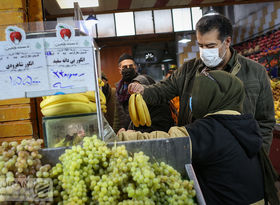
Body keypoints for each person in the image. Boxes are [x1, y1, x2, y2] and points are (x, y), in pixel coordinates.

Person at [128, 14, 275, 153]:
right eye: (201, 45)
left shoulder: (255, 72)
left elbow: (265, 121)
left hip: (237, 154)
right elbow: (163, 90)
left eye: (210, 46)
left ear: (227, 41)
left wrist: (258, 155)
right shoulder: (188, 70)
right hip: (197, 150)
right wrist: (143, 90)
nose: (204, 51)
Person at [185, 70, 269, 205]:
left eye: (196, 94)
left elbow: (168, 140)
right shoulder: (246, 124)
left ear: (210, 96)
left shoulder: (207, 129)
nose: (192, 99)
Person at [113, 53, 173, 133]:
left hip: (151, 127)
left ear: (136, 68)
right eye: (124, 67)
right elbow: (118, 115)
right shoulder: (119, 90)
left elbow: (143, 80)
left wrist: (137, 84)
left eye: (130, 66)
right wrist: (118, 129)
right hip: (132, 129)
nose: (128, 69)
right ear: (120, 70)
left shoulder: (144, 80)